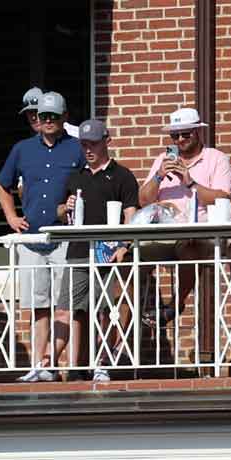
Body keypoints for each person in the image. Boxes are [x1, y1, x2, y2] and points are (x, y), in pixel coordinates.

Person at [136, 106, 231, 370]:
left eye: (185, 135)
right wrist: (159, 176)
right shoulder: (163, 159)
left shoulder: (215, 158)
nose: (179, 141)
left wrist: (189, 181)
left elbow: (223, 197)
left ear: (198, 133)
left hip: (201, 234)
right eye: (175, 136)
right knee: (131, 255)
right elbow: (143, 200)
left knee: (190, 248)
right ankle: (120, 340)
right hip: (164, 231)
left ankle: (173, 305)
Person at [0, 90, 82, 383]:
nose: (47, 121)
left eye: (53, 117)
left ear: (64, 118)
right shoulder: (22, 149)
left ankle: (55, 363)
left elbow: (91, 183)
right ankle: (38, 365)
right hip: (31, 238)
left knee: (65, 306)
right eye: (43, 116)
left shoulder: (77, 148)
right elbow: (1, 185)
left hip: (65, 237)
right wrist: (10, 217)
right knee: (38, 307)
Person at [61, 119, 138, 383]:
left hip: (107, 251)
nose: (88, 149)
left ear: (107, 141)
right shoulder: (75, 176)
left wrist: (123, 245)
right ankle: (74, 365)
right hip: (77, 250)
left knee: (105, 310)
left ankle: (102, 362)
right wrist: (66, 207)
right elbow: (60, 213)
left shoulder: (122, 176)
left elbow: (132, 216)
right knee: (72, 309)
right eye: (84, 144)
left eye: (93, 143)